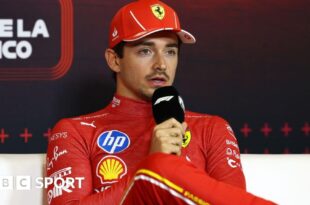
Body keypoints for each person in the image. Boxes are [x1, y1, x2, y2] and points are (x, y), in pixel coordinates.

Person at [46, 0, 276, 204]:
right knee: (159, 167)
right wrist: (149, 167)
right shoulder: (75, 132)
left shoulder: (211, 128)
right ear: (114, 60)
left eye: (170, 52)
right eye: (145, 51)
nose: (161, 64)